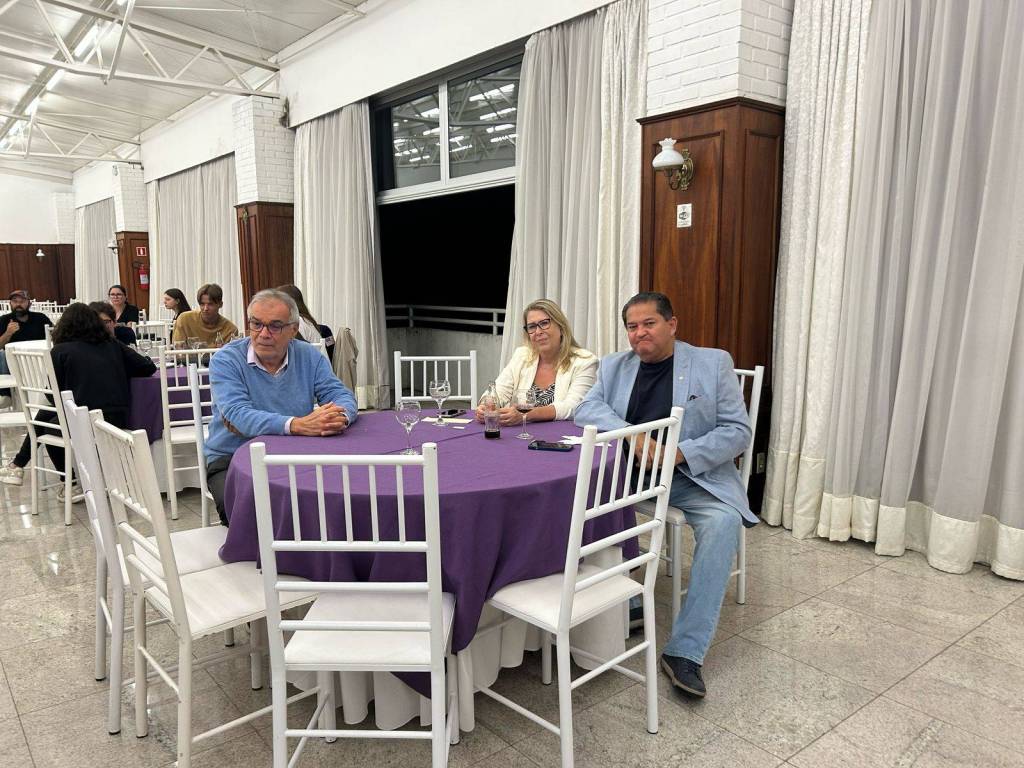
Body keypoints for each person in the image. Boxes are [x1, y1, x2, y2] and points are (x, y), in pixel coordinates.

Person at [575, 291, 755, 700]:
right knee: (572, 497)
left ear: (672, 325)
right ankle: (617, 605)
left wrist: (679, 453)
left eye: (649, 323)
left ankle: (685, 651)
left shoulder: (713, 363)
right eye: (632, 327)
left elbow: (737, 432)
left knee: (723, 522)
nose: (639, 333)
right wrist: (632, 434)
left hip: (691, 477)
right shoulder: (614, 365)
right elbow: (586, 409)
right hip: (626, 475)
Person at [205, 289, 357, 525]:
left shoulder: (309, 356)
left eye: (275, 326)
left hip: (297, 454)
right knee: (250, 516)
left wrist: (338, 417)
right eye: (256, 324)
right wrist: (297, 425)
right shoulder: (226, 360)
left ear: (293, 330)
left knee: (338, 501)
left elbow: (341, 395)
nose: (263, 334)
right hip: (232, 457)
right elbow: (238, 414)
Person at [0, 303, 156, 488]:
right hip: (116, 418)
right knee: (46, 416)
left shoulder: (60, 351)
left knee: (46, 424)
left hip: (84, 421)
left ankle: (67, 482)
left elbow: (54, 396)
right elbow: (148, 367)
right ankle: (17, 465)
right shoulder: (112, 345)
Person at [476, 299, 597, 425]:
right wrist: (486, 405)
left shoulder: (585, 361)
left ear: (561, 327)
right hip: (522, 432)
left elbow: (574, 407)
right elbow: (498, 391)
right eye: (532, 327)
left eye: (544, 323)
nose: (538, 332)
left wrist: (526, 415)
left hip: (562, 434)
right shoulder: (522, 355)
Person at [0, 290, 55, 407]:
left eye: (22, 301)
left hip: (42, 361)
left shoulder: (40, 318)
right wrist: (8, 333)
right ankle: (6, 394)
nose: (18, 304)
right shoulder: (4, 320)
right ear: (10, 303)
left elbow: (54, 335)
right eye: (15, 301)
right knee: (2, 355)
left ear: (29, 303)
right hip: (14, 363)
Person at [171, 283, 239, 347]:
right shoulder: (184, 320)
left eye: (210, 304)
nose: (205, 308)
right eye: (202, 304)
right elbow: (178, 349)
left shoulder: (230, 330)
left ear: (220, 304)